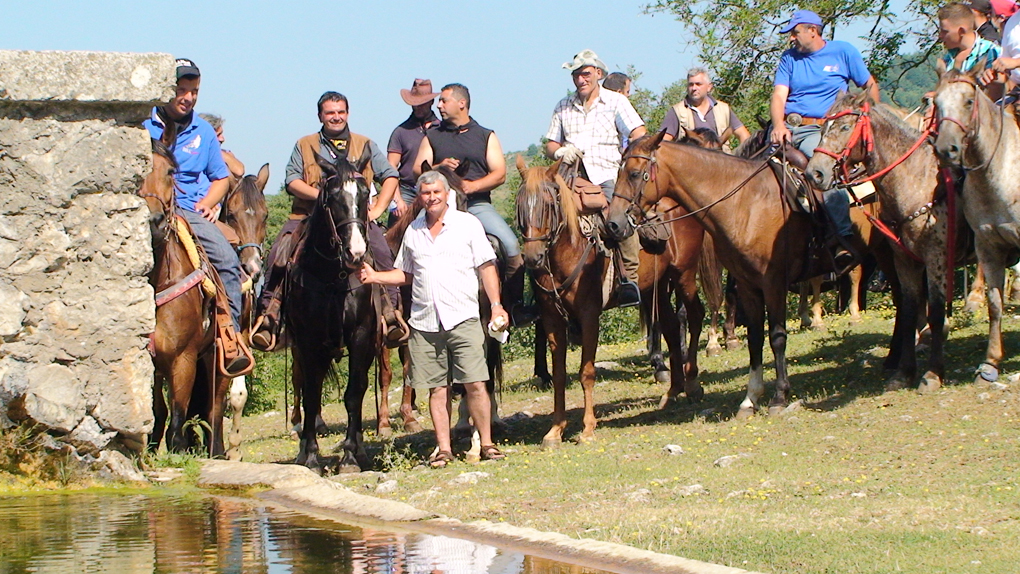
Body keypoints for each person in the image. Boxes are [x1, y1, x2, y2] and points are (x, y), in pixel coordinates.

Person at [359, 170, 508, 468]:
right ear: (420, 196)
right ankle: (444, 448)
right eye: (426, 193)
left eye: (436, 192)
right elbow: (406, 273)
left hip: (462, 316)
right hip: (425, 322)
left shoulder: (468, 224)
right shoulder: (413, 230)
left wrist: (496, 306)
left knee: (475, 383)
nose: (431, 197)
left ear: (446, 193)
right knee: (436, 389)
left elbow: (487, 267)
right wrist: (376, 276)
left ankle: (488, 443)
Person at [250, 91, 408, 351]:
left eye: (340, 112)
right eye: (330, 113)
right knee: (279, 251)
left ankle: (390, 315)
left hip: (353, 218)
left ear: (347, 113)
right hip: (308, 215)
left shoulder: (365, 144)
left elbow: (390, 175)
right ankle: (269, 316)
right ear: (320, 116)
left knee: (381, 250)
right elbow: (292, 180)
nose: (336, 117)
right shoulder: (305, 144)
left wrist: (378, 208)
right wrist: (325, 198)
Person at [143, 58, 251, 376]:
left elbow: (220, 178)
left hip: (189, 212)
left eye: (194, 91)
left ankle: (229, 339)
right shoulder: (143, 125)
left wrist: (208, 202)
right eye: (182, 89)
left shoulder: (203, 131)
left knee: (229, 264)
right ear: (167, 90)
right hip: (146, 210)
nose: (188, 97)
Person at [414, 83, 536, 326]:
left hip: (477, 204)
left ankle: (513, 306)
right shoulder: (433, 135)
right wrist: (439, 168)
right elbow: (418, 168)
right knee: (409, 242)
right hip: (438, 206)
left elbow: (499, 173)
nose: (438, 105)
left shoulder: (485, 135)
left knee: (511, 246)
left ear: (462, 103)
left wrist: (471, 187)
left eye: (444, 101)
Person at [769, 10, 880, 270]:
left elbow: (869, 86)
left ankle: (843, 236)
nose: (792, 39)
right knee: (748, 165)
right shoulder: (788, 58)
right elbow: (778, 96)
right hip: (789, 126)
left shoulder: (843, 52)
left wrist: (869, 115)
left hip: (823, 131)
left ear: (812, 31)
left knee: (821, 172)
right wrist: (777, 125)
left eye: (795, 33)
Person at [544, 49, 645, 306]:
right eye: (577, 75)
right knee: (541, 219)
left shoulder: (616, 102)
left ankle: (628, 280)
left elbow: (639, 132)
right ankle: (544, 287)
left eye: (586, 74)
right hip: (570, 178)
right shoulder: (562, 106)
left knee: (619, 221)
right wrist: (561, 151)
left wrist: (629, 158)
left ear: (598, 74)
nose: (581, 80)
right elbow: (550, 145)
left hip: (607, 175)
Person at [387, 79, 442, 224]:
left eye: (423, 103)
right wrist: (397, 198)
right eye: (415, 103)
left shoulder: (443, 130)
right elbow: (391, 166)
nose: (418, 107)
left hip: (436, 187)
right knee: (396, 226)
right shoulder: (400, 132)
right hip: (408, 189)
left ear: (431, 102)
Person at [662, 67, 752, 146]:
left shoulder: (723, 109)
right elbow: (663, 142)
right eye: (691, 84)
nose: (694, 88)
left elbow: (744, 135)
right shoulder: (677, 111)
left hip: (721, 162)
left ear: (709, 87)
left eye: (698, 84)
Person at [199, 113, 245, 179]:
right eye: (218, 135)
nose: (222, 139)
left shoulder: (224, 153)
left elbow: (239, 171)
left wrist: (214, 151)